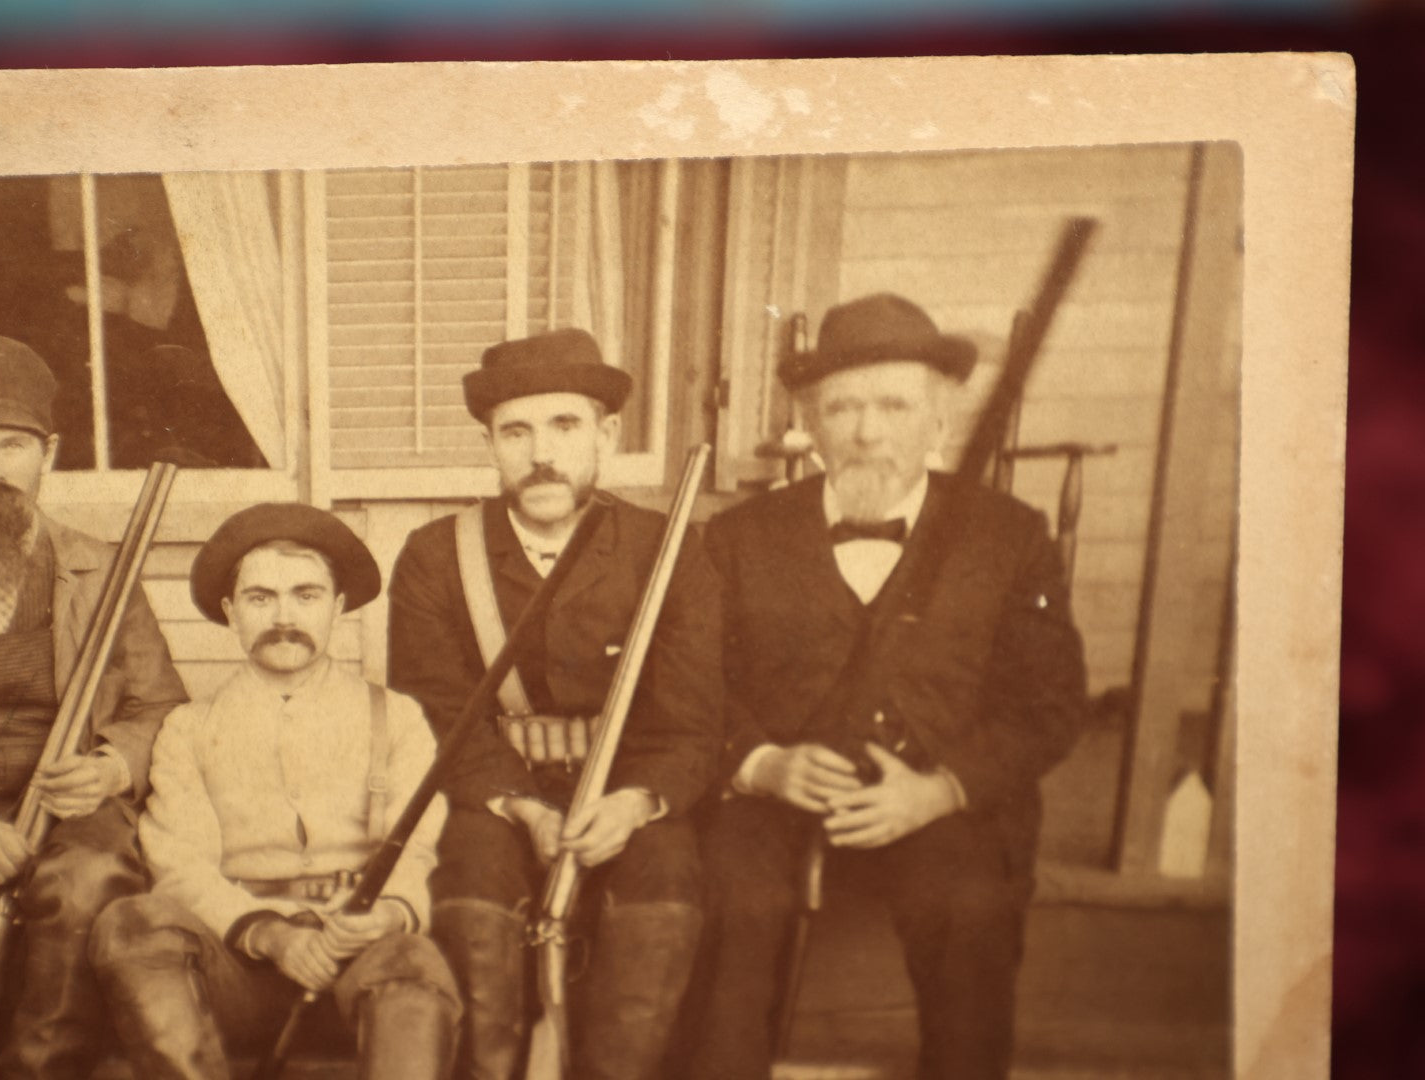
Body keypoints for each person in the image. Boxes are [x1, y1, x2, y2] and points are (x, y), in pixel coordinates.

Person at [682, 294, 1089, 1080]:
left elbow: (1049, 705)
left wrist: (942, 790)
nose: (867, 431)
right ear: (810, 422)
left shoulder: (1007, 535)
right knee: (734, 905)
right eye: (843, 407)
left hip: (936, 791)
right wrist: (761, 763)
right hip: (776, 792)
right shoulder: (739, 538)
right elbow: (694, 686)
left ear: (937, 422)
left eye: (894, 405)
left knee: (969, 909)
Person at [388, 327, 722, 1080]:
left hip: (627, 791)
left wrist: (638, 801)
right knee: (469, 879)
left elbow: (692, 719)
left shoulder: (667, 548)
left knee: (667, 879)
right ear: (490, 445)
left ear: (605, 435)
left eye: (564, 426)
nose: (540, 452)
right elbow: (436, 714)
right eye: (516, 431)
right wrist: (523, 808)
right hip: (495, 795)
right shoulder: (437, 555)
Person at [88, 503, 461, 1079]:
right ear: (231, 612)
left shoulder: (397, 718)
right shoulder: (189, 728)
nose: (284, 616)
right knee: (131, 923)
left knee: (413, 962)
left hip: (357, 959)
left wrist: (386, 914)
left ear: (338, 608)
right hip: (235, 972)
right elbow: (181, 867)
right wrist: (267, 934)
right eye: (261, 598)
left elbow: (416, 850)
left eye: (306, 595)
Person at [0, 335, 187, 1079]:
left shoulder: (100, 568)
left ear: (51, 453)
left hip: (65, 805)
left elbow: (160, 705)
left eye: (12, 444)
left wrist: (109, 768)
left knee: (90, 878)